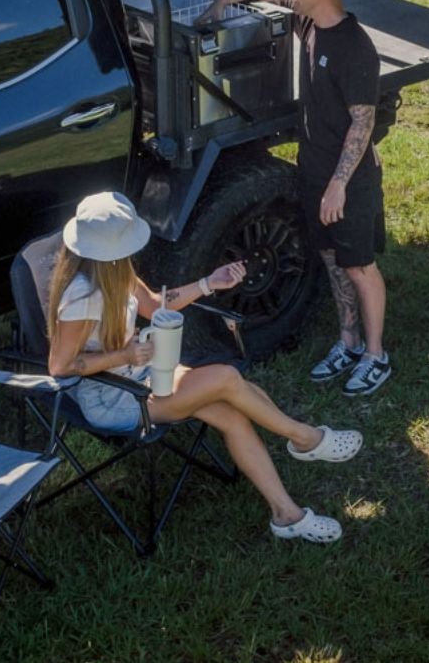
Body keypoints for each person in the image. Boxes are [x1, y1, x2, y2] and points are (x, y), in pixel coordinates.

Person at [45, 190, 362, 543]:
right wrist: (122, 356)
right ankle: (305, 438)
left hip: (142, 375)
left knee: (231, 413)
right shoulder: (82, 298)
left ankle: (287, 515)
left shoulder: (115, 269)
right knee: (226, 378)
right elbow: (60, 366)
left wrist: (210, 282)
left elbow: (153, 304)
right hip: (115, 398)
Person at [202, 0, 392, 397]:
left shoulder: (354, 48)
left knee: (359, 265)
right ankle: (347, 343)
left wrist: (338, 186)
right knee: (329, 259)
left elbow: (362, 123)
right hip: (313, 171)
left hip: (347, 182)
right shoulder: (308, 22)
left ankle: (375, 355)